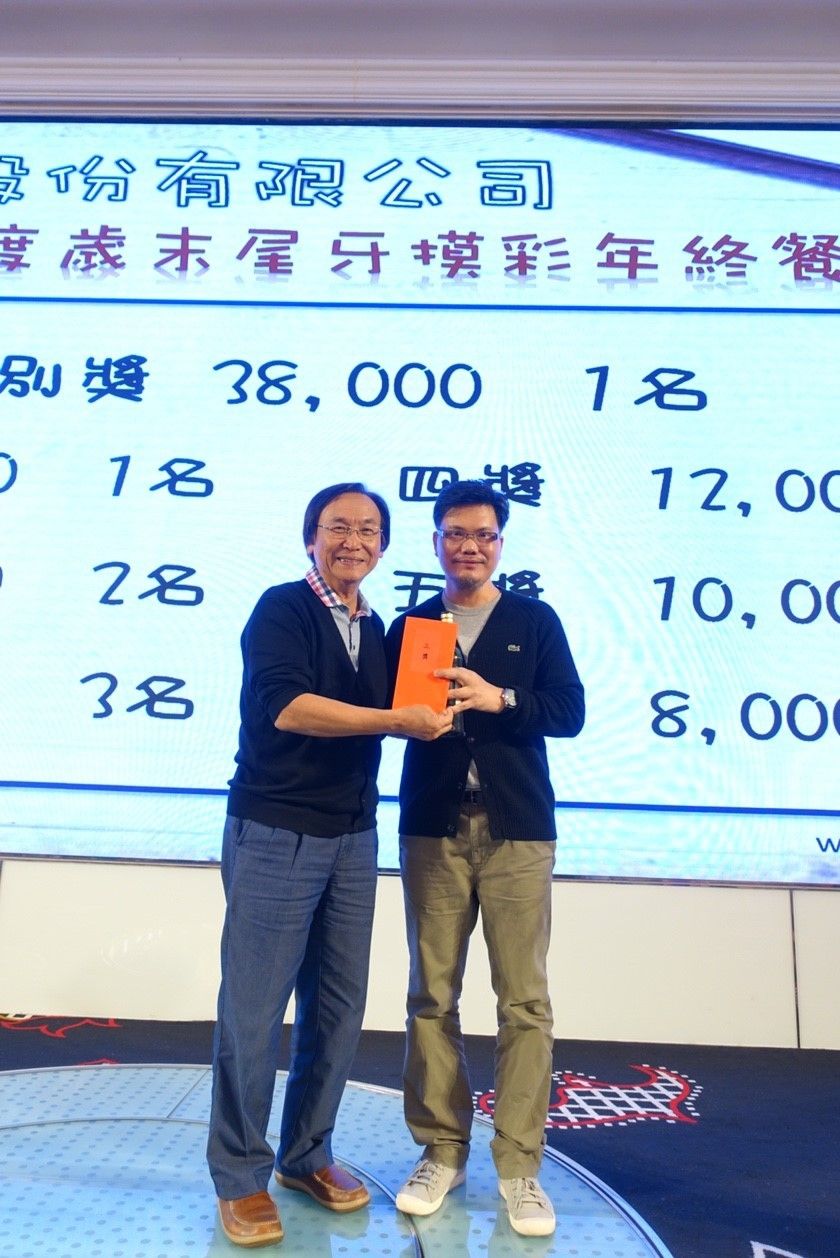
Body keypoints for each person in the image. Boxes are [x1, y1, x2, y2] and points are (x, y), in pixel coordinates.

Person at [207, 482, 452, 1248]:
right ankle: (240, 1178)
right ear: (310, 537)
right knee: (253, 1013)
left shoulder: (374, 625)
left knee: (339, 1008)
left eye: (368, 530)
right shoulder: (282, 609)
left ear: (383, 546)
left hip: (353, 837)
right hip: (276, 831)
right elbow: (289, 707)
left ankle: (305, 1156)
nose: (354, 541)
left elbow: (410, 704)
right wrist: (394, 720)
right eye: (338, 527)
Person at [385, 479, 584, 1238]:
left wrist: (503, 699)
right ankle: (441, 1150)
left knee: (524, 1002)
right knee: (430, 996)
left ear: (501, 542)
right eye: (456, 534)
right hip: (432, 827)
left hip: (518, 831)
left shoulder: (534, 620)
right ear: (436, 540)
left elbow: (569, 711)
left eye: (484, 535)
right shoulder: (410, 626)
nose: (470, 547)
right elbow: (382, 715)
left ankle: (520, 1166)